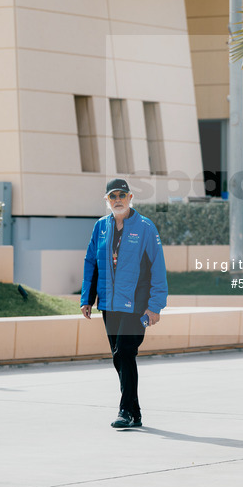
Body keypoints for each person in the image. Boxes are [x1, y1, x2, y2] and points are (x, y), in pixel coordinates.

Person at [80, 178, 168, 428]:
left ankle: (125, 411)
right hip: (109, 303)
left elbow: (157, 268)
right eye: (112, 196)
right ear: (107, 201)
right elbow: (91, 262)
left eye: (122, 195)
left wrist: (155, 305)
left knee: (125, 352)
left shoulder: (145, 227)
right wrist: (87, 298)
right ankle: (135, 412)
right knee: (120, 357)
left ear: (130, 198)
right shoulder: (101, 227)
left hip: (136, 304)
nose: (117, 200)